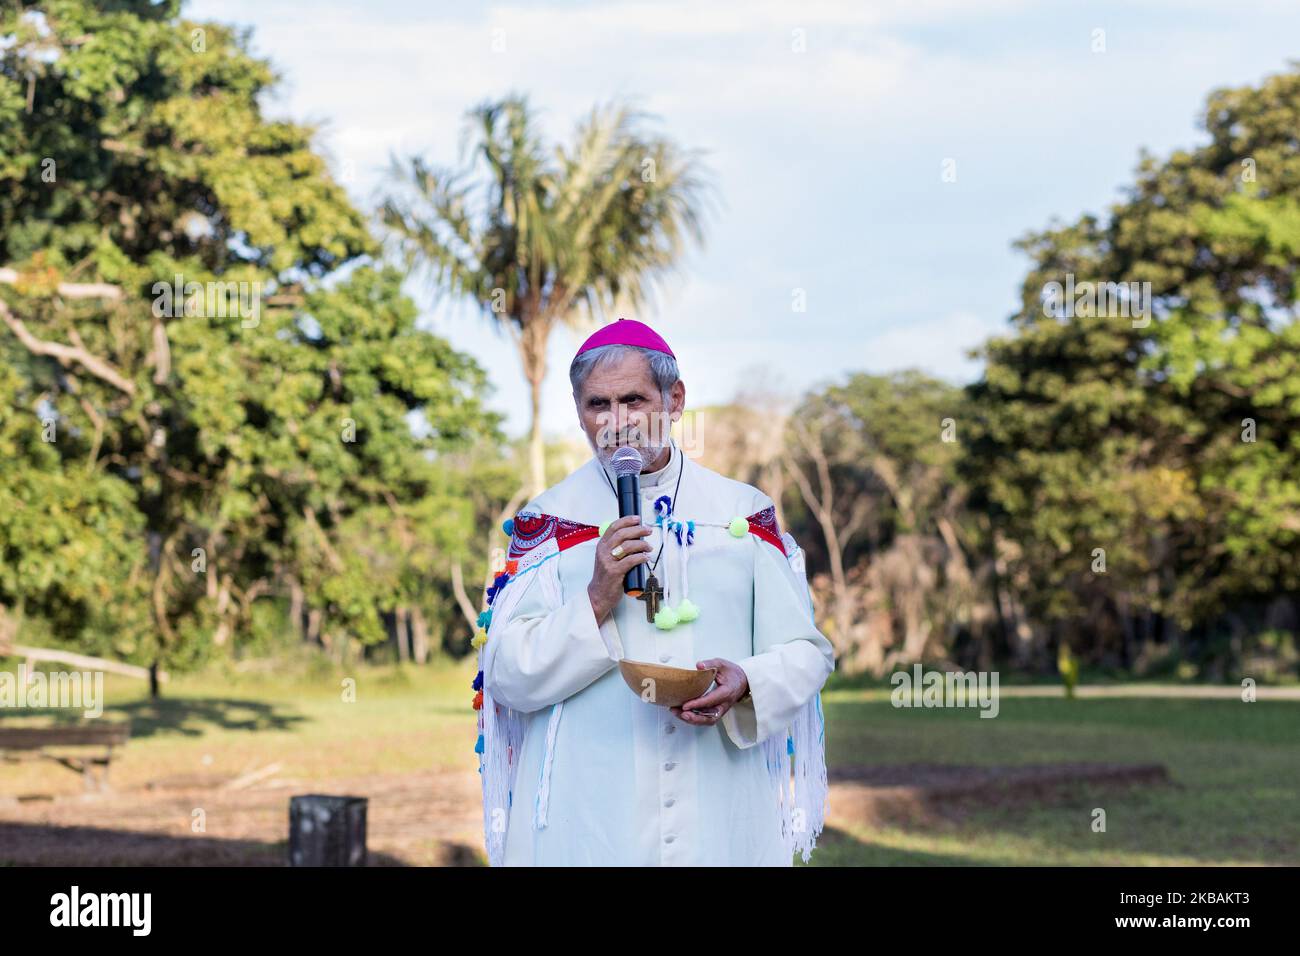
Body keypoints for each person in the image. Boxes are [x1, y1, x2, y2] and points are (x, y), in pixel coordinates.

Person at [472, 318, 835, 866]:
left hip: (720, 807)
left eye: (634, 400)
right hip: (586, 813)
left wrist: (747, 682)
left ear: (675, 399)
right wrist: (596, 597)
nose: (616, 423)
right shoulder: (547, 520)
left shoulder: (738, 513)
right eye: (598, 405)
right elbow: (505, 674)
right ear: (578, 411)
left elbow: (807, 654)